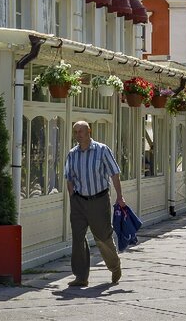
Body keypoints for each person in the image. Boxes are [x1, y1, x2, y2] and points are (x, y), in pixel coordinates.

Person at [63, 120, 125, 287]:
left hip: (99, 200)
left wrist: (120, 196)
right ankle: (81, 276)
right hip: (79, 201)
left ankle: (114, 266)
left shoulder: (102, 150)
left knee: (102, 236)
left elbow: (114, 174)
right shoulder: (72, 154)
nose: (78, 135)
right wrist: (72, 197)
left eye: (80, 131)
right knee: (78, 238)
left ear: (89, 131)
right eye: (75, 132)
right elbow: (68, 177)